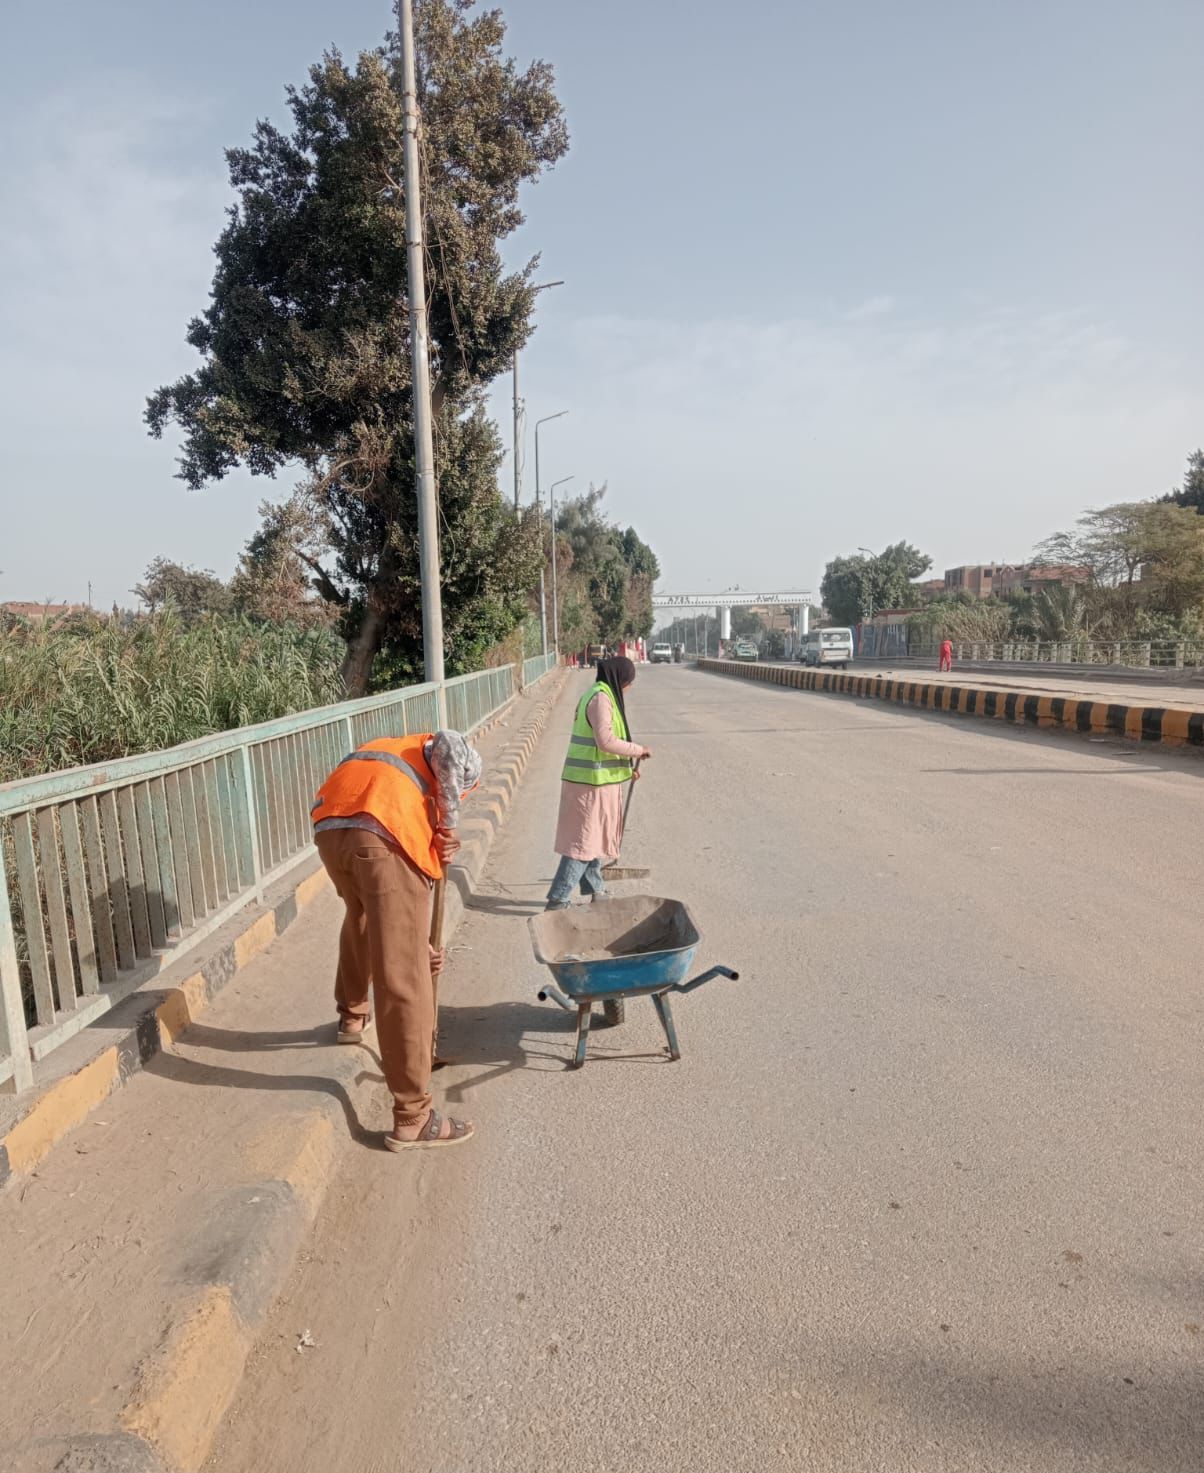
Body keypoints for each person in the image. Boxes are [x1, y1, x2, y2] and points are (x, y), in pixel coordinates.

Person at [312, 729, 482, 1151]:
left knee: (362, 915)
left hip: (330, 828)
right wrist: (448, 824)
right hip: (380, 830)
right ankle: (414, 1115)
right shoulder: (447, 753)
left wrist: (418, 942)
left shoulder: (397, 750)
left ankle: (352, 1016)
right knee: (404, 974)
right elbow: (449, 746)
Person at [547, 656, 651, 909]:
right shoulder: (601, 699)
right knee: (582, 844)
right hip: (589, 784)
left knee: (591, 839)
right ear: (621, 679)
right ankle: (558, 900)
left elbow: (602, 748)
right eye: (629, 682)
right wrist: (637, 750)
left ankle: (597, 889)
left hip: (594, 781)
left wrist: (626, 771)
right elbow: (605, 741)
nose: (629, 687)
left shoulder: (600, 694)